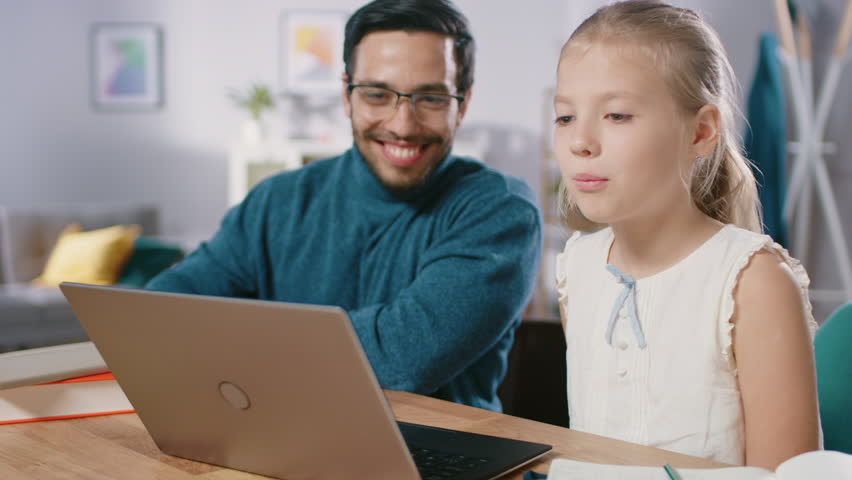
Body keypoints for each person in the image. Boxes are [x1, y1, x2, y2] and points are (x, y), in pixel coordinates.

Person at [147, 0, 542, 412]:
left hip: (438, 459)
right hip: (279, 438)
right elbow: (164, 310)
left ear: (463, 104)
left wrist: (234, 336)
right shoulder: (276, 200)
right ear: (346, 95)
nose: (402, 125)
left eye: (430, 98)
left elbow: (400, 361)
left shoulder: (500, 212)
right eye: (377, 94)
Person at [552, 0, 820, 469]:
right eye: (565, 117)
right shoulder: (576, 267)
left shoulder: (753, 282)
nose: (580, 142)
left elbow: (788, 475)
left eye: (616, 115)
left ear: (700, 132)